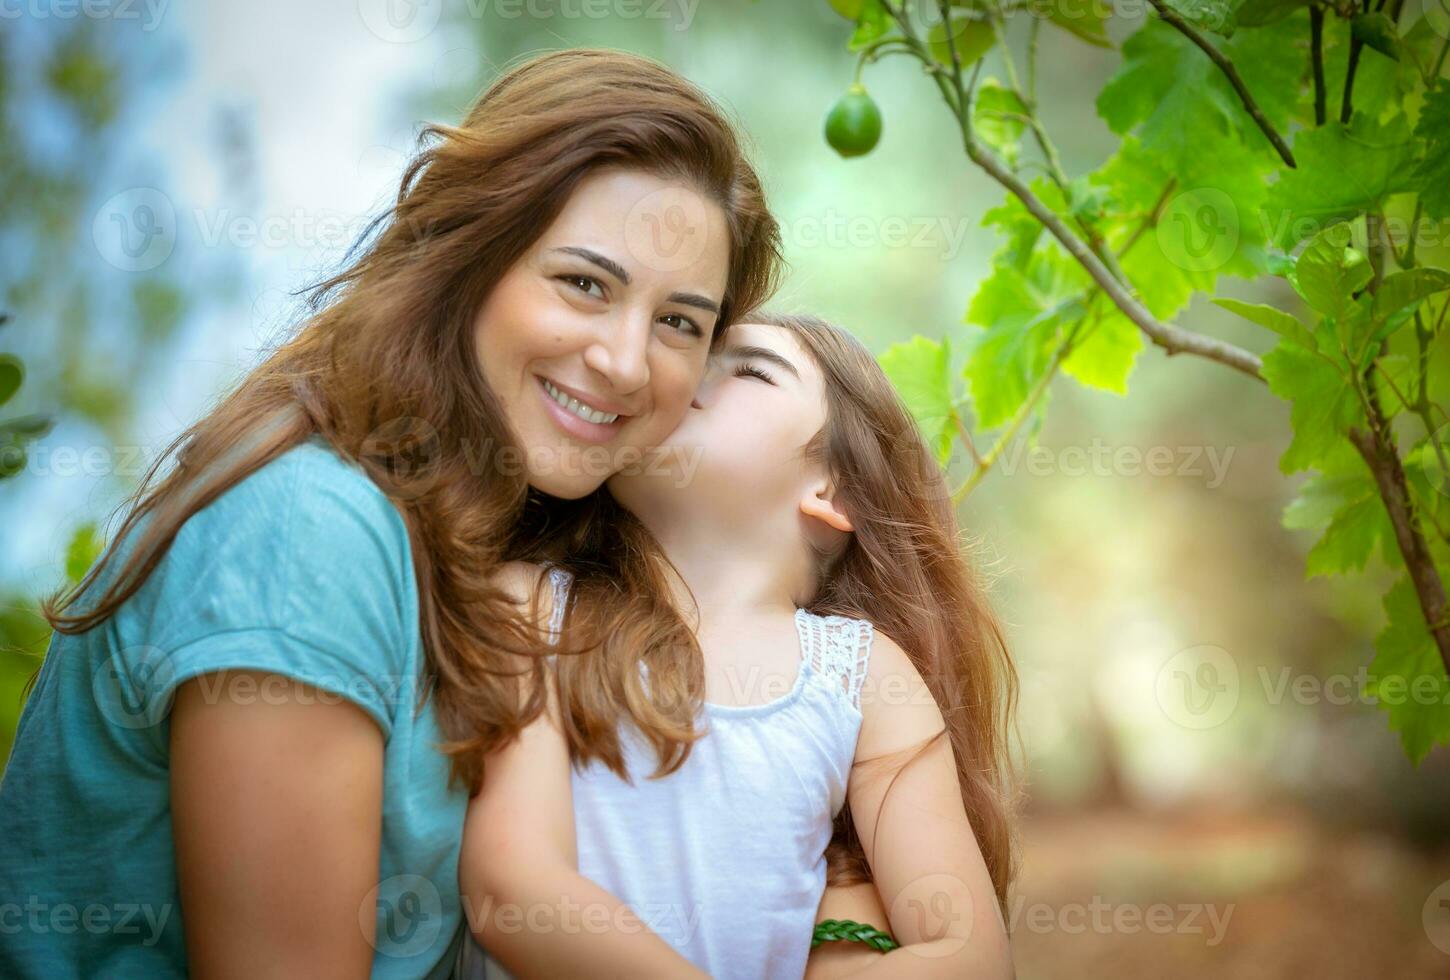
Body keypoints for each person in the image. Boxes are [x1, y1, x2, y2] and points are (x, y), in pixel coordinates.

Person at [0, 49, 781, 979]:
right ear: (469, 259)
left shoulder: (504, 540)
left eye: (679, 323)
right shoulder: (309, 531)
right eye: (584, 283)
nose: (623, 360)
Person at [460, 314, 1020, 978]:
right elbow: (513, 889)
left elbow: (969, 954)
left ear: (832, 492)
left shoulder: (863, 676)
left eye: (748, 368)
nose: (684, 371)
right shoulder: (534, 608)